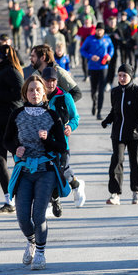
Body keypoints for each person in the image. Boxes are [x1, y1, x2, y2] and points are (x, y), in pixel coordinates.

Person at [4, 75, 69, 271]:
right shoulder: (17, 114)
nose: (35, 93)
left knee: (39, 215)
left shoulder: (52, 115)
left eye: (38, 90)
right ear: (25, 93)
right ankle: (31, 241)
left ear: (44, 93)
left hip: (45, 170)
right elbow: (6, 140)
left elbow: (61, 147)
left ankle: (40, 252)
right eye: (31, 90)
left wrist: (48, 140)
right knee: (23, 216)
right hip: (24, 170)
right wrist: (16, 148)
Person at [101, 64, 138, 205]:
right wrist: (107, 120)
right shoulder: (115, 92)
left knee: (135, 162)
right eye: (119, 75)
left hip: (135, 135)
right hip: (118, 133)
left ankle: (137, 192)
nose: (122, 78)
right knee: (116, 161)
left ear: (130, 76)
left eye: (125, 75)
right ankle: (115, 194)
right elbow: (115, 111)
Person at [0, 43, 24, 214]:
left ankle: (24, 195)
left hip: (12, 123)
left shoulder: (11, 70)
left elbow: (19, 93)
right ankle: (9, 200)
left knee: (19, 159)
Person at [42, 67, 85, 211]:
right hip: (44, 144)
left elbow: (75, 117)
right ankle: (52, 202)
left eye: (53, 81)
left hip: (61, 143)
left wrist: (70, 127)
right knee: (48, 172)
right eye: (47, 81)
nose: (50, 84)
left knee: (63, 171)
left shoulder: (65, 97)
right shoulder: (39, 97)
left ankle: (76, 184)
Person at [80, 23, 114, 120]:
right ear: (95, 30)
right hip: (92, 67)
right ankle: (94, 102)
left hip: (103, 67)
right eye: (98, 30)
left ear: (103, 31)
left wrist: (109, 56)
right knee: (93, 90)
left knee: (101, 90)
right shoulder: (90, 39)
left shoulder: (107, 39)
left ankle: (99, 111)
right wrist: (91, 56)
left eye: (101, 30)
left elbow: (111, 48)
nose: (99, 32)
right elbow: (82, 50)